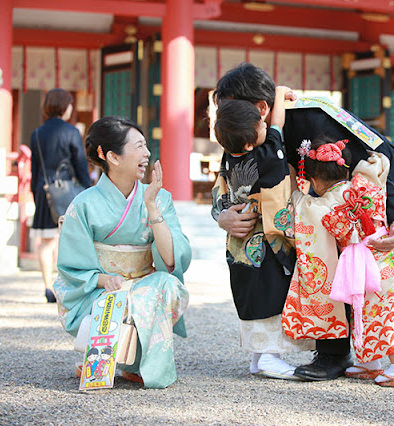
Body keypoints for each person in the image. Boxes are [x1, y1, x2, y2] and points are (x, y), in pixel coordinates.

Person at [212, 63, 394, 381]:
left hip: (352, 210)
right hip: (299, 217)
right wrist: (222, 215)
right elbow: (227, 181)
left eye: (233, 107)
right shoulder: (245, 131)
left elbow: (384, 161)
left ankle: (337, 352)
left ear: (262, 108)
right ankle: (314, 350)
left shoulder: (316, 117)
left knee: (348, 268)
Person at [53, 116, 191, 388]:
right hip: (100, 293)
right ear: (113, 157)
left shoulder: (159, 197)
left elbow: (173, 260)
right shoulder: (83, 205)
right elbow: (72, 267)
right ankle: (107, 356)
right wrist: (106, 280)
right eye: (139, 146)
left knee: (167, 286)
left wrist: (151, 207)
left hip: (145, 289)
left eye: (146, 146)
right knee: (122, 301)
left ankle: (130, 362)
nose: (147, 154)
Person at [283, 137, 394, 387]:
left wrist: (293, 177)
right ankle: (370, 363)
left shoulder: (325, 204)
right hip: (385, 258)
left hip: (364, 263)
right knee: (373, 311)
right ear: (346, 169)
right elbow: (378, 165)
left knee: (378, 314)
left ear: (314, 180)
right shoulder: (363, 184)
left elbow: (300, 204)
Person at [213, 86, 313, 380]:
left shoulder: (228, 159)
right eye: (260, 126)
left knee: (252, 293)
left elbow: (224, 195)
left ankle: (258, 357)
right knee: (273, 293)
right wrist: (279, 94)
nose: (265, 126)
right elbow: (278, 127)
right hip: (268, 238)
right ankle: (270, 356)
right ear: (247, 143)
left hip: (239, 242)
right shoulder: (268, 154)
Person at [30, 89, 91, 303]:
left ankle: (48, 287)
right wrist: (88, 188)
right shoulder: (72, 132)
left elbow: (34, 169)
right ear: (65, 107)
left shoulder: (37, 133)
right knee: (65, 240)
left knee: (46, 242)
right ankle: (62, 285)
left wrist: (35, 192)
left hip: (44, 192)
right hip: (66, 193)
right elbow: (80, 166)